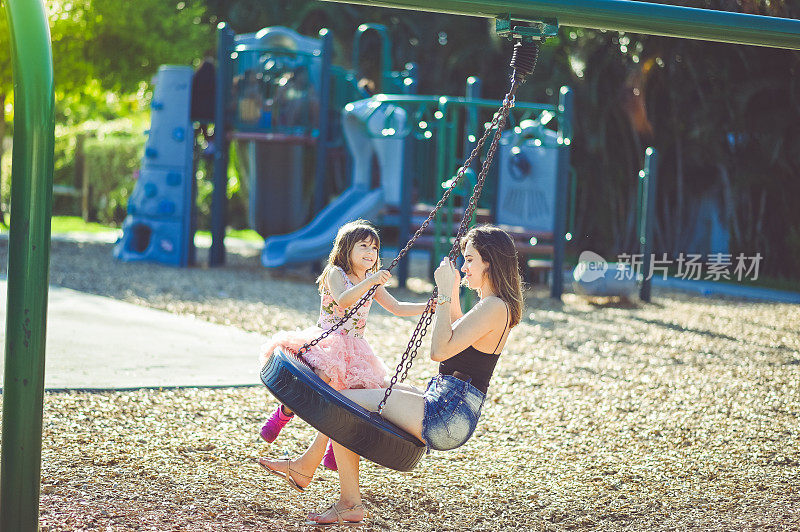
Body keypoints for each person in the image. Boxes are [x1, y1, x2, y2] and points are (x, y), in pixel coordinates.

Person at [263, 224, 524, 527]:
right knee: (351, 394)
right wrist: (450, 293)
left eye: (470, 260)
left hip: (449, 413)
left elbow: (440, 350)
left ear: (490, 261)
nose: (464, 267)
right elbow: (454, 332)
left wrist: (443, 297)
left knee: (342, 404)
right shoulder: (491, 306)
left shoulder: (495, 307)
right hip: (445, 401)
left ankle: (343, 498)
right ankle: (313, 470)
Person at [257, 219, 432, 475]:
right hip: (328, 340)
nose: (370, 253)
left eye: (375, 248)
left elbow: (396, 307)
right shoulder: (335, 273)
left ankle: (332, 449)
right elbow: (343, 299)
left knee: (355, 393)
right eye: (364, 246)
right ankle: (282, 415)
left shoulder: (370, 279)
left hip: (356, 348)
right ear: (346, 248)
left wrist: (428, 307)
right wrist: (370, 284)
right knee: (320, 381)